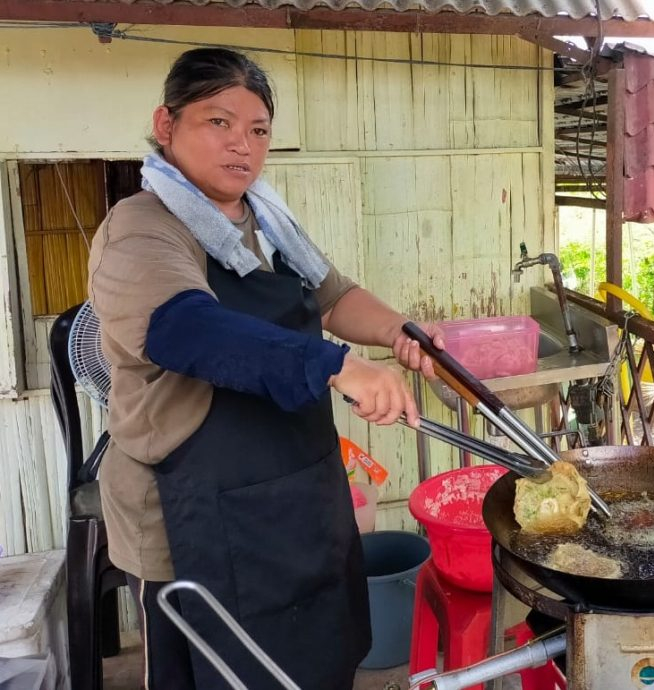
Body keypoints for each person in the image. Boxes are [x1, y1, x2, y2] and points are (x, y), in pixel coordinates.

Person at [87, 47, 443, 690]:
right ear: (166, 125)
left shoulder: (268, 222)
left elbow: (332, 297)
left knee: (311, 659)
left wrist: (399, 331)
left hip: (294, 493)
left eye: (257, 130)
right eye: (217, 122)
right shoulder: (141, 228)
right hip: (189, 509)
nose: (241, 146)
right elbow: (187, 328)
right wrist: (338, 366)